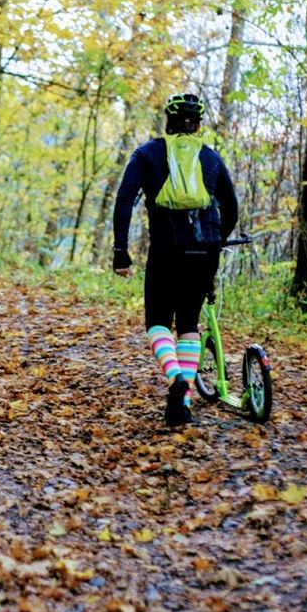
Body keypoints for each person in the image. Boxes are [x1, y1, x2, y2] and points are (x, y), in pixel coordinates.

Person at [112, 93, 238, 426]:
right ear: (198, 126)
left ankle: (176, 379)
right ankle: (183, 395)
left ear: (167, 123)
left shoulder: (148, 154)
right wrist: (215, 240)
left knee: (157, 321)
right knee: (188, 324)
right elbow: (232, 207)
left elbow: (125, 200)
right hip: (205, 249)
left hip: (167, 249)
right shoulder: (210, 157)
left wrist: (120, 250)